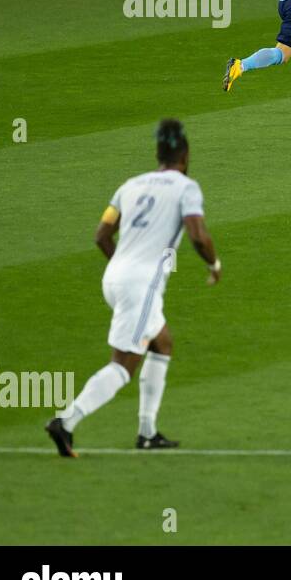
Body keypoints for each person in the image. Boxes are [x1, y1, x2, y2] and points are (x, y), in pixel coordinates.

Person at [46, 119, 220, 457]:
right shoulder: (186, 187)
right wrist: (214, 265)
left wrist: (123, 265)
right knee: (124, 365)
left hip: (115, 276)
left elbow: (101, 235)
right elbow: (198, 235)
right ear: (184, 155)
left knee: (162, 343)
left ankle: (147, 432)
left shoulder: (130, 186)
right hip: (140, 285)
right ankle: (65, 422)